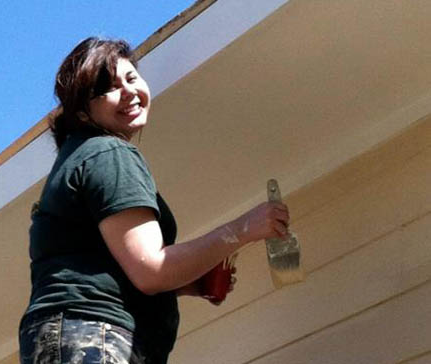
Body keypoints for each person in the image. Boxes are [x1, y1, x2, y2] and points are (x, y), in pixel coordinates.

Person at [18, 37, 290, 364]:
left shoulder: (79, 157)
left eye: (132, 78)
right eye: (108, 88)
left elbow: (117, 267)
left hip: (70, 338)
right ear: (83, 111)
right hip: (94, 336)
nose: (129, 91)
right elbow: (152, 270)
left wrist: (188, 282)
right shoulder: (109, 153)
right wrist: (245, 228)